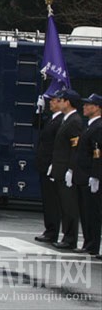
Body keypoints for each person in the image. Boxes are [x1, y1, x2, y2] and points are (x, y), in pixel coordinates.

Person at [49, 89, 83, 250]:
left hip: (66, 169)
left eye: (61, 100)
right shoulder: (67, 120)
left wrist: (71, 169)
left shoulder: (74, 121)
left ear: (67, 102)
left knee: (69, 206)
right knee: (64, 204)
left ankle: (70, 239)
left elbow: (75, 149)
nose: (58, 102)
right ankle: (66, 236)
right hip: (59, 167)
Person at [72, 93, 102, 255]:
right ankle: (88, 243)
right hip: (83, 175)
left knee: (92, 212)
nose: (84, 107)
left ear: (97, 108)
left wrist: (96, 175)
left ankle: (92, 245)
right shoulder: (90, 125)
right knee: (85, 212)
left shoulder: (98, 127)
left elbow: (98, 153)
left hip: (89, 175)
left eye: (89, 104)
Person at [33, 95, 63, 243]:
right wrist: (39, 111)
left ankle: (52, 231)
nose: (50, 103)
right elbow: (36, 126)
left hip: (51, 165)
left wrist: (54, 163)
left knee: (52, 201)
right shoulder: (52, 119)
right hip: (44, 164)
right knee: (47, 200)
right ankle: (49, 229)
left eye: (53, 101)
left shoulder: (60, 121)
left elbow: (58, 145)